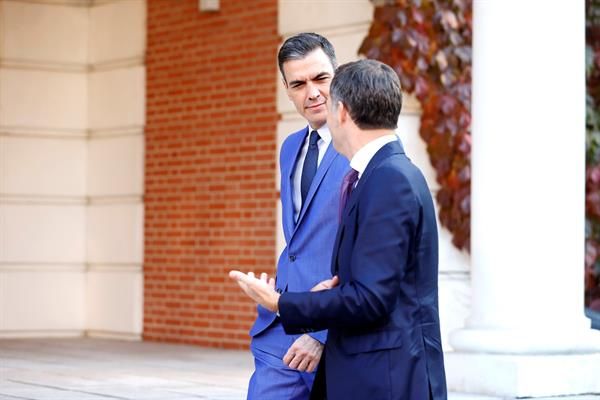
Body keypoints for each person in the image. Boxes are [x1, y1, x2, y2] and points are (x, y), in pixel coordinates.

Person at [230, 59, 447, 400]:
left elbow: (371, 298)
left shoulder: (389, 180)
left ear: (342, 111)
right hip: (368, 370)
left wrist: (281, 303)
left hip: (384, 378)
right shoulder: (383, 173)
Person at [245, 33, 349, 399]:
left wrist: (321, 332)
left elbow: (368, 248)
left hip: (334, 329)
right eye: (299, 84)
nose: (312, 93)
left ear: (338, 76)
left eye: (321, 78)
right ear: (287, 91)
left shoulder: (362, 148)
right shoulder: (290, 147)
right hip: (282, 326)